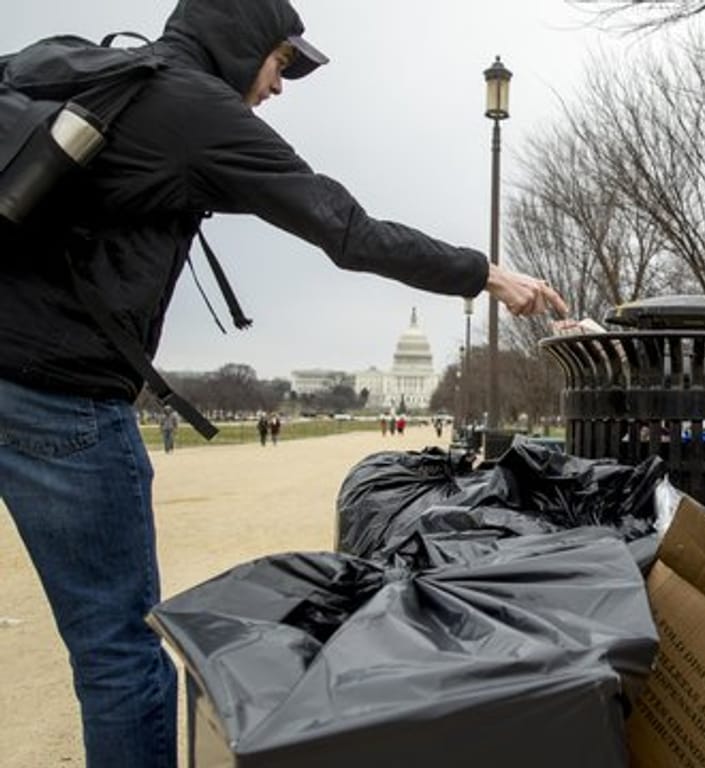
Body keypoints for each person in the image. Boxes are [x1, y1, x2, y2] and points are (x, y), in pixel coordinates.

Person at [0, 2, 568, 766]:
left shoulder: (93, 68)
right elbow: (346, 229)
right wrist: (486, 274)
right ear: (237, 47)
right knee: (117, 650)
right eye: (278, 62)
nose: (280, 85)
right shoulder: (194, 110)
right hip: (56, 395)